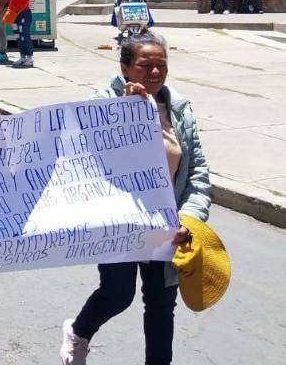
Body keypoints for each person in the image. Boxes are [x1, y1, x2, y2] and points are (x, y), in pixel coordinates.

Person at [60, 31, 211, 365]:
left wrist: (190, 218)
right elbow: (82, 157)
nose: (154, 72)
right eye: (145, 65)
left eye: (161, 65)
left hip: (169, 228)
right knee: (117, 295)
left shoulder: (179, 109)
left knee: (161, 305)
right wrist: (124, 110)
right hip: (121, 225)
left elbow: (197, 171)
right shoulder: (102, 103)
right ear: (126, 68)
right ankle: (79, 331)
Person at [7, 0, 36, 69]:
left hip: (24, 14)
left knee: (24, 36)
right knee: (18, 36)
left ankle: (29, 58)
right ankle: (23, 57)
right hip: (16, 14)